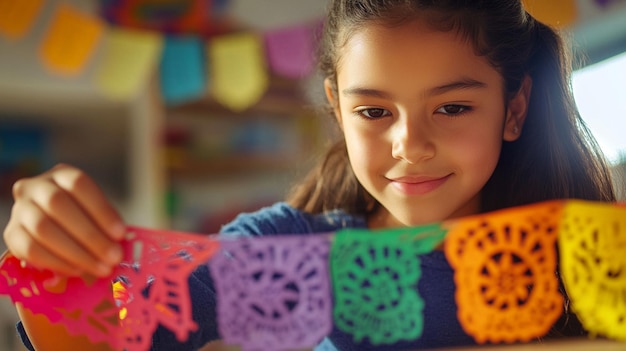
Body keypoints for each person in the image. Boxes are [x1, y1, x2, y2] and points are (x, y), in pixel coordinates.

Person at [2, 0, 617, 350]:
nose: (411, 145)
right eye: (374, 112)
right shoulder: (281, 251)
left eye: (452, 107)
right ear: (337, 111)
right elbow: (106, 340)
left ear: (513, 110)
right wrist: (51, 268)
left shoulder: (588, 262)